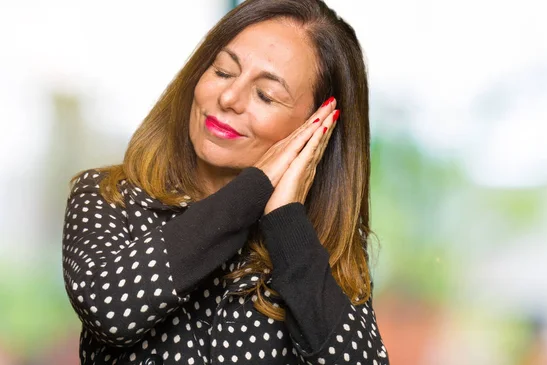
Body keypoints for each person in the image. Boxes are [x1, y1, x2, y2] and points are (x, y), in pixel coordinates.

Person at [61, 0, 389, 364]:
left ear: (315, 129)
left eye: (265, 95)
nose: (229, 98)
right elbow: (110, 310)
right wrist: (256, 186)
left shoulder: (325, 242)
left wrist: (285, 221)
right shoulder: (108, 196)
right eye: (222, 71)